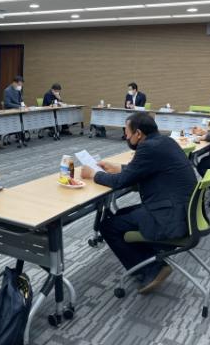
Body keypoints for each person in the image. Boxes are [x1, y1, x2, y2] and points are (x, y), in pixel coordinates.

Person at [81, 112, 195, 294]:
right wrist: (118, 167)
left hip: (170, 218)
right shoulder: (165, 141)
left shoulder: (148, 148)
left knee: (108, 226)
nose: (126, 136)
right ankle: (148, 258)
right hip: (184, 211)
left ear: (138, 133)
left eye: (127, 132)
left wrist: (94, 174)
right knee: (121, 215)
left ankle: (152, 268)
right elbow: (146, 168)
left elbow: (120, 182)